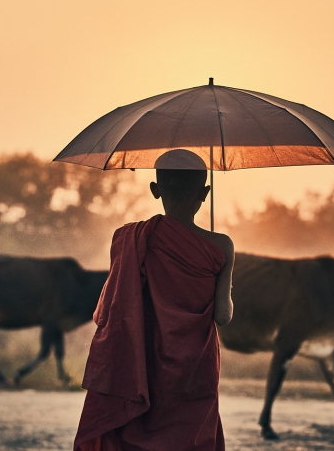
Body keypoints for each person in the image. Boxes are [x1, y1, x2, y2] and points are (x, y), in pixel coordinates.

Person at [74, 149, 235, 451]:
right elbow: (223, 316)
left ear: (155, 190)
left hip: (144, 361)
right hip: (196, 366)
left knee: (139, 432)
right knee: (191, 435)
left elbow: (117, 305)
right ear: (205, 192)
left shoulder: (131, 238)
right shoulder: (221, 245)